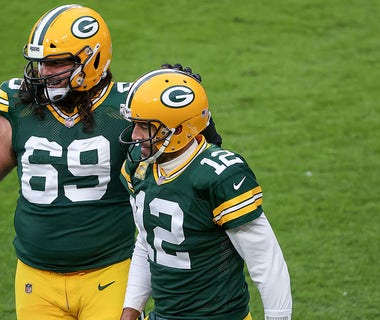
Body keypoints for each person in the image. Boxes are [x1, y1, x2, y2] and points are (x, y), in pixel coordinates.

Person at [0, 4, 222, 319]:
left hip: (109, 275)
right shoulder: (19, 108)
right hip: (35, 281)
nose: (43, 72)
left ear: (93, 60)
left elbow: (187, 175)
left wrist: (200, 125)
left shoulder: (125, 112)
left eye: (55, 63)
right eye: (40, 63)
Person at [117, 69, 292, 320]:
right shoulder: (140, 168)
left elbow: (266, 262)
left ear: (178, 130)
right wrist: (130, 310)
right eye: (135, 124)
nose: (135, 135)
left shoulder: (219, 175)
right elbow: (148, 242)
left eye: (145, 127)